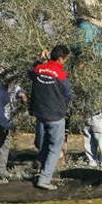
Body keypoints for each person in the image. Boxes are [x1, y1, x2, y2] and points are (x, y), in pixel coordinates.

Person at [29, 45, 73, 190]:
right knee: (55, 148)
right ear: (60, 58)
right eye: (65, 59)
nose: (65, 61)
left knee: (44, 144)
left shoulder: (39, 69)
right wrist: (61, 105)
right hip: (55, 116)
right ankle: (44, 179)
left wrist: (39, 60)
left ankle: (39, 169)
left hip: (40, 114)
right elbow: (68, 94)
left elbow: (30, 73)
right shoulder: (60, 74)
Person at [0, 76, 27, 181]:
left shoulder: (12, 86)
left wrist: (21, 94)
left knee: (5, 145)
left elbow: (18, 89)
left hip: (6, 118)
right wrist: (9, 126)